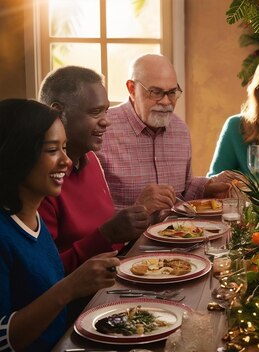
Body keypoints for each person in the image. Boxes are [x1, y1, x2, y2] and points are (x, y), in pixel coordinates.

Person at [0, 99, 119, 351]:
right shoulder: (4, 234)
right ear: (18, 154)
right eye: (52, 150)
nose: (66, 161)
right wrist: (70, 287)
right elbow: (3, 340)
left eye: (64, 147)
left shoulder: (33, 218)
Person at [38, 66, 150, 273]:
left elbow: (110, 246)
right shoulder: (42, 179)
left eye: (106, 110)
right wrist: (106, 235)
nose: (107, 121)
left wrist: (141, 225)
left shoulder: (91, 160)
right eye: (95, 112)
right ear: (57, 112)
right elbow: (44, 274)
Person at [96, 54, 231, 214]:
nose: (166, 102)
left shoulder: (180, 130)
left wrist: (208, 187)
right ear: (132, 89)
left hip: (178, 235)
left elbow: (184, 191)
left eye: (172, 92)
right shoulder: (101, 130)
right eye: (156, 92)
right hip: (126, 239)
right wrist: (139, 209)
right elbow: (89, 213)